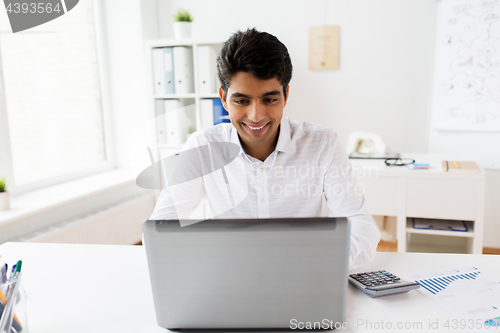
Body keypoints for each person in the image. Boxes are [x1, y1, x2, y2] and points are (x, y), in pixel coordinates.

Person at [150, 28, 380, 271]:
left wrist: (318, 264)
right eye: (241, 101)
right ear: (223, 98)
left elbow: (360, 224)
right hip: (230, 277)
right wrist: (205, 263)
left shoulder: (323, 143)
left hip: (303, 274)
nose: (256, 116)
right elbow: (160, 229)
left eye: (269, 99)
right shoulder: (203, 147)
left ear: (286, 94)